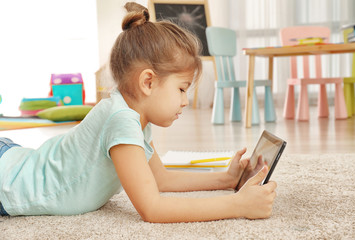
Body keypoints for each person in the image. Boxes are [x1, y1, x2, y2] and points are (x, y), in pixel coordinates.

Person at [0, 2, 277, 222]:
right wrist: (238, 205)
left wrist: (225, 179)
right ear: (148, 82)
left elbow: (160, 179)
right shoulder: (121, 120)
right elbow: (153, 209)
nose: (185, 101)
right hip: (7, 182)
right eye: (181, 89)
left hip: (14, 159)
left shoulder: (134, 116)